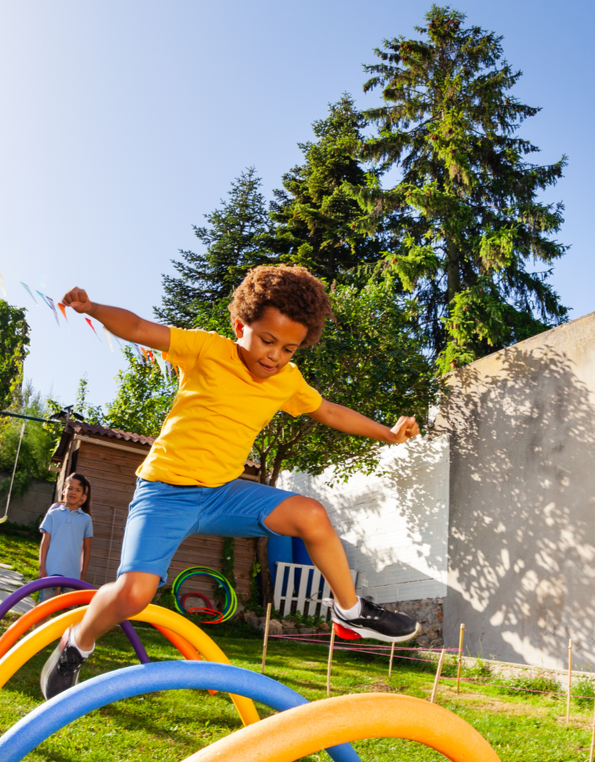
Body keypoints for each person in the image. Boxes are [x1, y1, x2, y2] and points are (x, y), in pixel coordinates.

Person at [40, 265, 421, 700]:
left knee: (311, 514)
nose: (275, 356)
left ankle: (349, 611)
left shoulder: (286, 381)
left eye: (289, 349)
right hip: (165, 493)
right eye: (267, 340)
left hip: (222, 493)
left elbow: (330, 411)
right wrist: (93, 309)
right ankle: (78, 642)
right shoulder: (206, 349)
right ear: (241, 325)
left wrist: (388, 434)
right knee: (134, 594)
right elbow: (141, 327)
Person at [38, 472, 93, 603]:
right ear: (64, 490)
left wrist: (83, 575)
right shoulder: (53, 514)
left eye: (78, 490)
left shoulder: (86, 520)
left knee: (68, 610)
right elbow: (45, 542)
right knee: (44, 609)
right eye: (70, 488)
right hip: (50, 570)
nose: (73, 492)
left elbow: (87, 549)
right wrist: (42, 568)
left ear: (82, 496)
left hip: (73, 573)